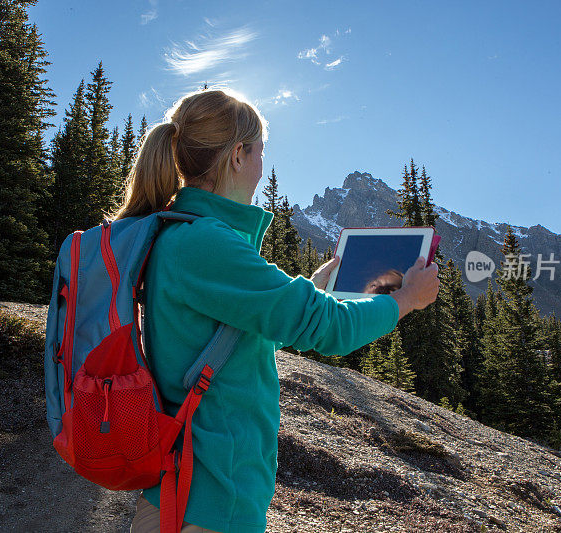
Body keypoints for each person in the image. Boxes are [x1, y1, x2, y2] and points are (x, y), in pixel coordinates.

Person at [112, 88, 440, 533]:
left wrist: (307, 288)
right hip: (213, 496)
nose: (263, 168)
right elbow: (328, 329)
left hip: (182, 488)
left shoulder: (179, 233)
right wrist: (405, 300)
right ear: (237, 157)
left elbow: (233, 328)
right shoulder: (206, 243)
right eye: (261, 152)